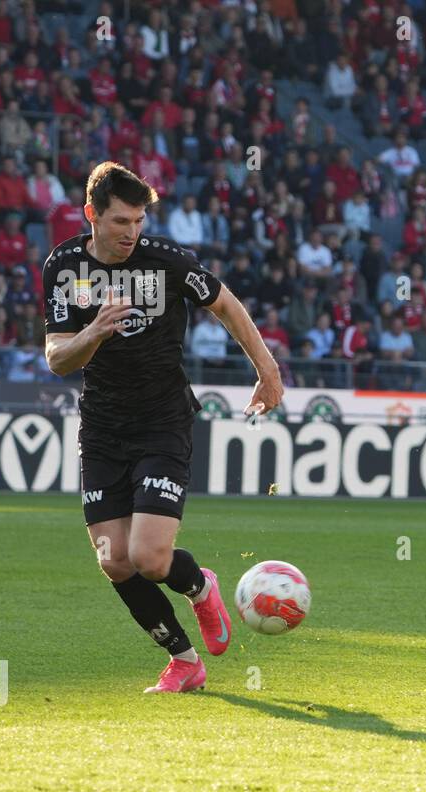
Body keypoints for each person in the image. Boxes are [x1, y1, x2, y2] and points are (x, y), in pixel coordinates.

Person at [42, 162, 283, 694]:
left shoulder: (168, 260)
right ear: (92, 216)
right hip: (102, 428)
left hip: (161, 419)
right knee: (115, 562)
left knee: (150, 560)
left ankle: (200, 587)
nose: (132, 232)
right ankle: (184, 662)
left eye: (139, 220)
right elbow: (58, 358)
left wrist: (266, 369)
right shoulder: (64, 266)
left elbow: (226, 304)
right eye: (121, 221)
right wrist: (96, 332)